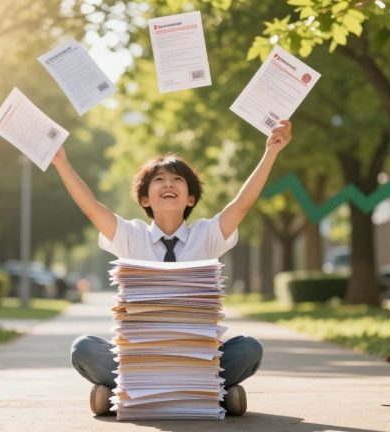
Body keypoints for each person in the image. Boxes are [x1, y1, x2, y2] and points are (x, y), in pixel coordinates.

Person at [52, 120, 293, 416]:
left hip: (198, 362)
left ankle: (127, 392)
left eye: (178, 180)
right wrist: (62, 162)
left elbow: (241, 205)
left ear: (190, 198)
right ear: (145, 199)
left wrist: (270, 153)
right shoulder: (131, 236)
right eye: (159, 180)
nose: (168, 184)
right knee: (84, 348)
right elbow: (92, 207)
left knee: (249, 349)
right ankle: (211, 395)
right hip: (141, 362)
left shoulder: (206, 236)